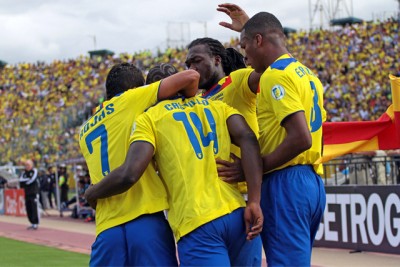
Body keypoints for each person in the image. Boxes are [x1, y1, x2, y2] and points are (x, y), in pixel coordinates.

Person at [84, 89, 264, 266]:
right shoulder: (217, 106)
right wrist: (254, 201)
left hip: (197, 221)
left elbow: (131, 172)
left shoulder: (150, 117)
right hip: (238, 213)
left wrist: (92, 193)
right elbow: (248, 137)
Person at [217, 3, 327, 266]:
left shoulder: (273, 76)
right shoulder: (307, 74)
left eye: (245, 47)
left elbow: (301, 138)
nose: (245, 57)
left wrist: (252, 169)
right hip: (312, 182)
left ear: (258, 40)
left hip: (285, 182)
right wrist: (249, 26)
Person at [79, 62, 199, 266]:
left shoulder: (84, 130)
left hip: (107, 227)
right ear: (136, 87)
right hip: (145, 218)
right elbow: (190, 77)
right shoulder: (132, 99)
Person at [185, 37, 261, 195]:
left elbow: (276, 72)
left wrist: (252, 30)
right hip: (215, 197)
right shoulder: (197, 100)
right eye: (188, 65)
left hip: (245, 191)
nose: (191, 68)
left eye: (197, 61)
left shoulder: (236, 81)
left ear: (217, 60)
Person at [19, 159, 40, 230]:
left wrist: (26, 181)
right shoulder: (23, 173)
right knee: (28, 208)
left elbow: (31, 180)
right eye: (26, 165)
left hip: (34, 193)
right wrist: (26, 180)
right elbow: (21, 182)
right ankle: (32, 222)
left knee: (34, 208)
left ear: (32, 165)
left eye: (28, 165)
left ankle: (36, 223)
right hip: (27, 193)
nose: (27, 166)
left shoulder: (34, 171)